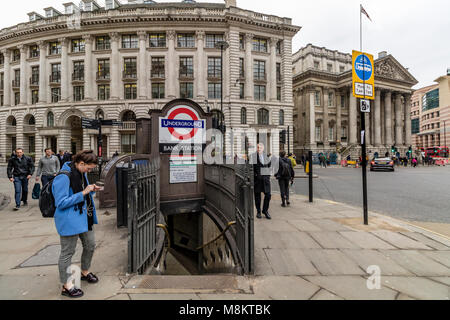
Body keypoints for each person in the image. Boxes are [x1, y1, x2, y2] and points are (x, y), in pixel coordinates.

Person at [53, 150, 101, 298]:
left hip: (84, 217)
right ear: (81, 163)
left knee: (90, 245)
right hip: (69, 220)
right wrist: (84, 193)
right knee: (67, 253)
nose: (89, 171)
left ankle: (84, 271)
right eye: (89, 168)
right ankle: (66, 285)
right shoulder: (63, 177)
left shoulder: (81, 173)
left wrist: (91, 190)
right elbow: (60, 203)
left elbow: (82, 193)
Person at [251, 143, 272, 220]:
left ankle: (265, 210)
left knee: (268, 195)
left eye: (261, 147)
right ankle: (258, 211)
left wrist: (268, 175)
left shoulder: (266, 156)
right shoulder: (253, 156)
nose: (259, 149)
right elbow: (250, 168)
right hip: (257, 180)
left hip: (266, 179)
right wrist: (255, 176)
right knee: (257, 197)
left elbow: (269, 165)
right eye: (258, 147)